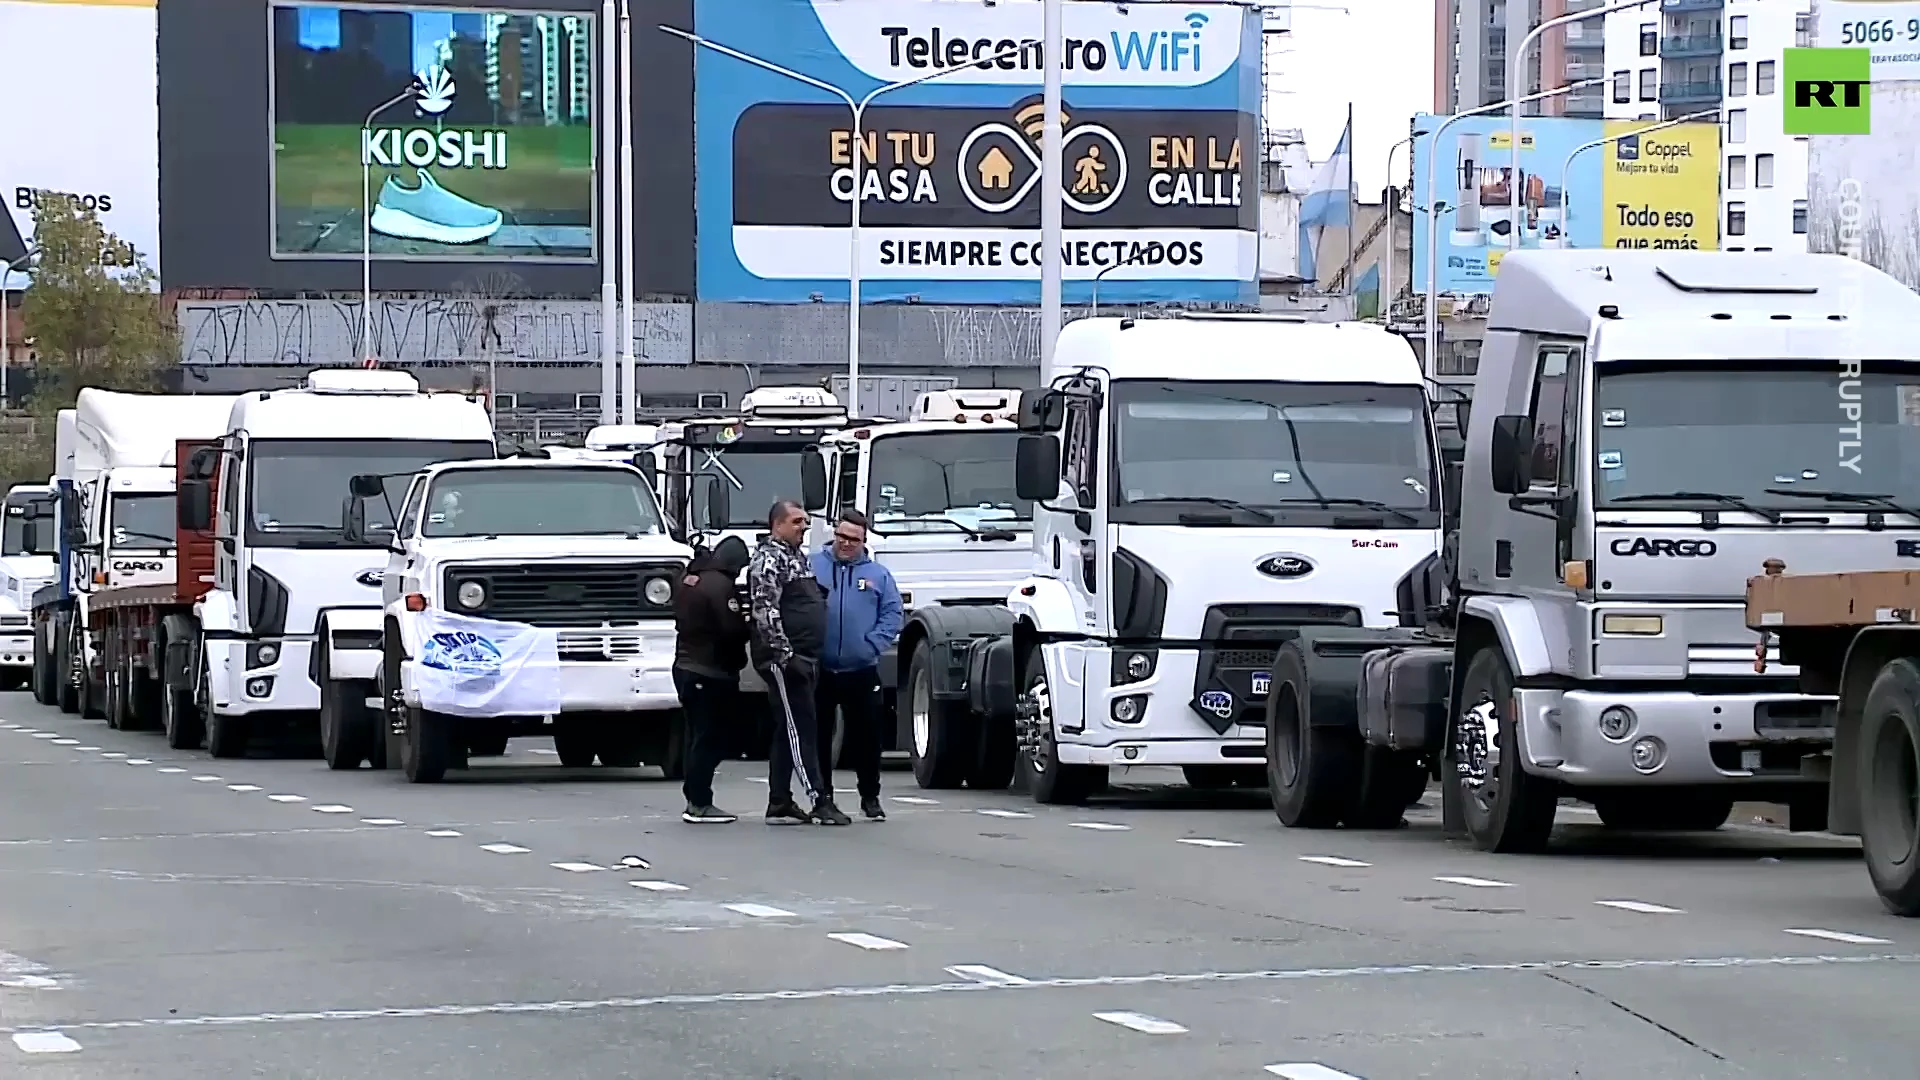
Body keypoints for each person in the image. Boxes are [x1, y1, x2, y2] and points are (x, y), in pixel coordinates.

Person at [748, 499, 851, 826]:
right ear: (777, 525)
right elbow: (765, 609)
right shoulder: (768, 560)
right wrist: (784, 653)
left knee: (786, 729)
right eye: (796, 522)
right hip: (786, 658)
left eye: (805, 521)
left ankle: (779, 800)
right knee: (801, 728)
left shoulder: (796, 558)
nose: (804, 527)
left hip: (808, 654)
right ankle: (819, 798)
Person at [811, 510, 901, 822]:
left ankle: (870, 797)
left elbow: (892, 614)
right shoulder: (812, 566)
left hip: (861, 669)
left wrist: (872, 644)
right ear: (834, 535)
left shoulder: (879, 575)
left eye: (855, 540)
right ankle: (822, 796)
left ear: (864, 542)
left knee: (868, 737)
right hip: (820, 668)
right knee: (819, 736)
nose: (847, 544)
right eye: (842, 537)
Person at [671, 535, 752, 824]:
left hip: (685, 665)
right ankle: (700, 802)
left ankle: (693, 796)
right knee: (709, 739)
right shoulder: (720, 585)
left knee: (696, 736)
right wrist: (748, 626)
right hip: (710, 669)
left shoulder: (690, 577)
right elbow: (731, 629)